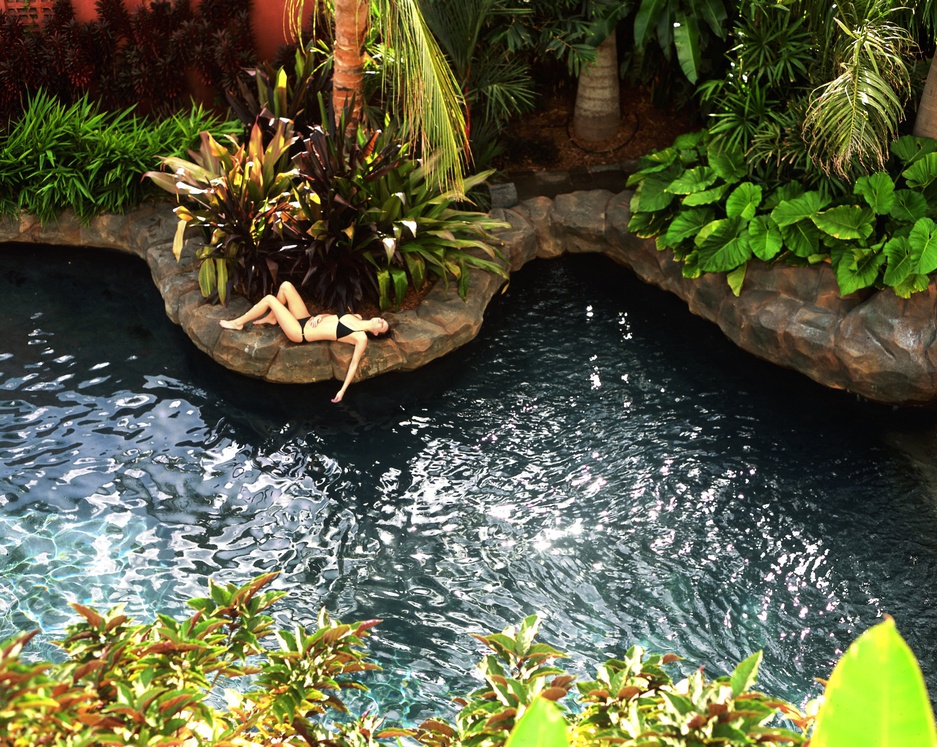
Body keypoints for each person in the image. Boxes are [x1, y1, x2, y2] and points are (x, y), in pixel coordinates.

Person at [219, 281, 390, 403]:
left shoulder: (361, 337)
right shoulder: (356, 316)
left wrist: (342, 390)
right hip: (306, 318)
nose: (381, 321)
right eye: (383, 320)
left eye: (382, 325)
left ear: (376, 332)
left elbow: (354, 363)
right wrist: (318, 317)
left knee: (270, 299)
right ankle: (272, 318)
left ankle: (238, 323)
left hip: (299, 332)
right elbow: (329, 318)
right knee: (286, 286)